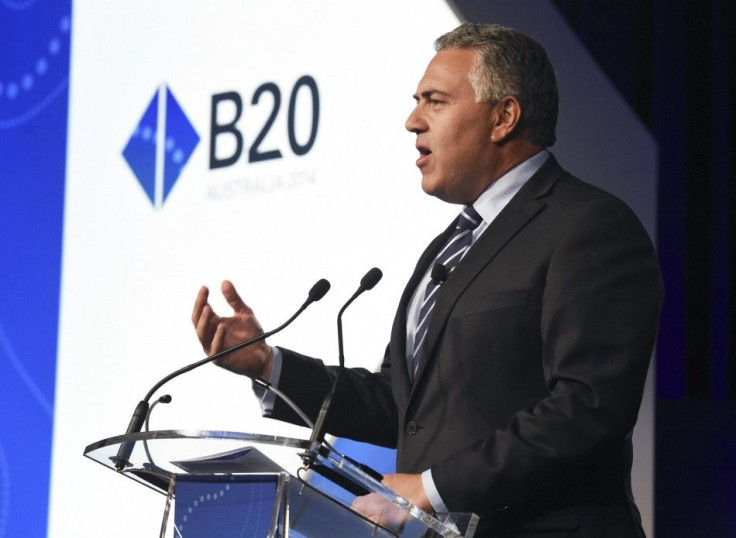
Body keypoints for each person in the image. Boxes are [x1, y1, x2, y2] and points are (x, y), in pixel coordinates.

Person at [192, 23, 663, 538]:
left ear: (503, 117)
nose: (412, 121)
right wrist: (269, 365)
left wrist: (431, 489)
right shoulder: (448, 247)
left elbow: (587, 407)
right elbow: (401, 404)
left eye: (434, 102)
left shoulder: (587, 225)